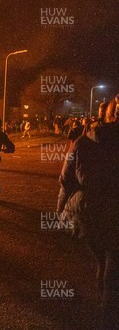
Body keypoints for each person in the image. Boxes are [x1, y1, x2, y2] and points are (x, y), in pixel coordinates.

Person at [58, 96, 119, 330]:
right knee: (112, 266)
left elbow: (66, 180)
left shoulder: (85, 141)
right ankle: (108, 315)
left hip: (89, 213)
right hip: (104, 213)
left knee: (105, 262)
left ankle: (105, 302)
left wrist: (60, 213)